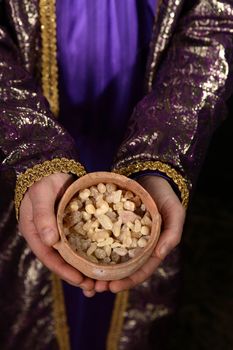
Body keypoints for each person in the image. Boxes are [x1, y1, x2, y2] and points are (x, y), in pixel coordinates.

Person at [0, 1, 232, 349]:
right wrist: (33, 148)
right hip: (34, 78)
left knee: (138, 304)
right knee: (32, 280)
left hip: (146, 65)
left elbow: (216, 18)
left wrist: (161, 152)